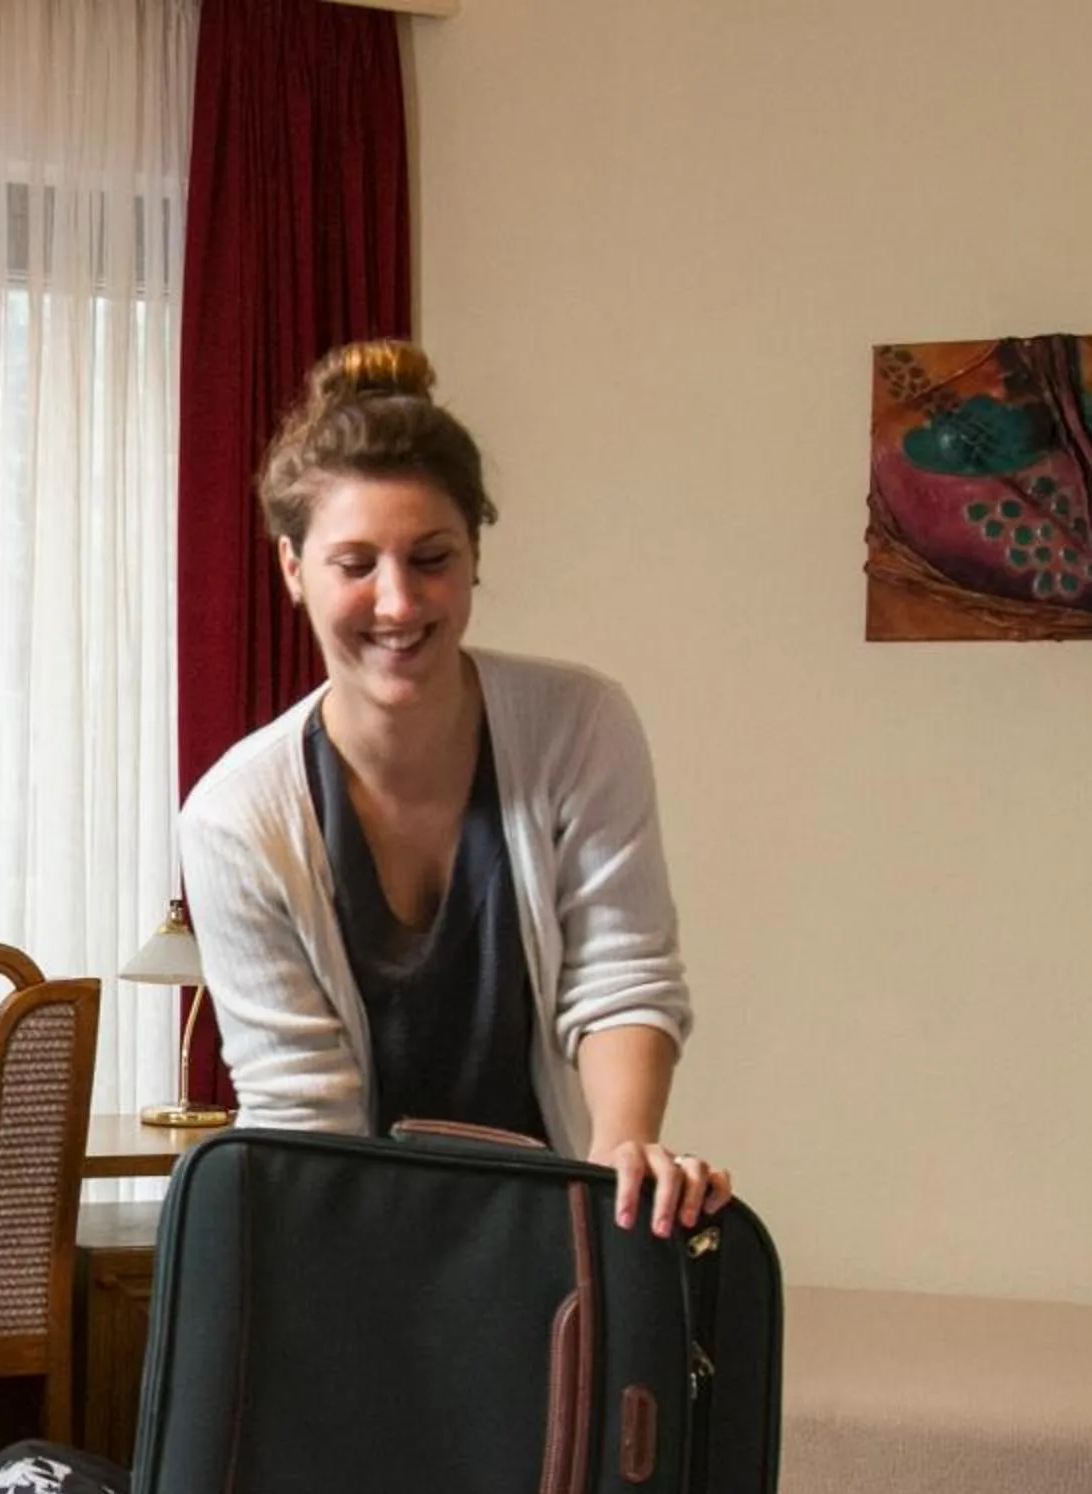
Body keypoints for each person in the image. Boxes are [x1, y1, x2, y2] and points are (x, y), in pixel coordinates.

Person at [179, 340, 731, 1237]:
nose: (398, 603)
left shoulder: (579, 725)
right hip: (342, 1241)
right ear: (292, 569)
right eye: (355, 566)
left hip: (553, 1226)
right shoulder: (236, 815)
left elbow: (622, 979)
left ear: (474, 554)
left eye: (430, 557)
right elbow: (300, 1111)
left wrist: (620, 1165)